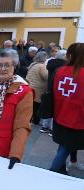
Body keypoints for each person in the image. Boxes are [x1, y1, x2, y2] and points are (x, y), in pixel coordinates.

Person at [49, 43, 84, 174]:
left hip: (60, 114)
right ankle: (52, 171)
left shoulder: (60, 71)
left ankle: (62, 169)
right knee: (66, 147)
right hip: (77, 119)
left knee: (64, 144)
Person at [41, 49, 67, 135]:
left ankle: (44, 127)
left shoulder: (51, 63)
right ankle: (52, 129)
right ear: (63, 56)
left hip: (50, 86)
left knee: (49, 106)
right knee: (55, 109)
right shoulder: (63, 66)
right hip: (57, 88)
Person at [26, 51, 48, 125]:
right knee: (36, 106)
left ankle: (28, 119)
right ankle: (35, 120)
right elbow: (46, 76)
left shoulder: (33, 64)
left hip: (30, 86)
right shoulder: (42, 66)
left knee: (31, 105)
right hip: (38, 89)